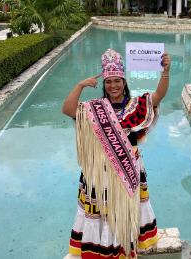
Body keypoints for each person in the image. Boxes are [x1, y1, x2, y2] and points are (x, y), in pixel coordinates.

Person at [62, 49, 171, 259]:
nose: (113, 85)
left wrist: (165, 71)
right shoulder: (94, 109)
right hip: (99, 172)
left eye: (117, 81)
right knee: (102, 212)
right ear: (104, 84)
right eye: (109, 81)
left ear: (124, 81)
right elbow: (68, 110)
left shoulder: (136, 106)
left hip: (128, 168)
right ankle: (101, 250)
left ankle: (122, 250)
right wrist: (80, 85)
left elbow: (157, 97)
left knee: (125, 211)